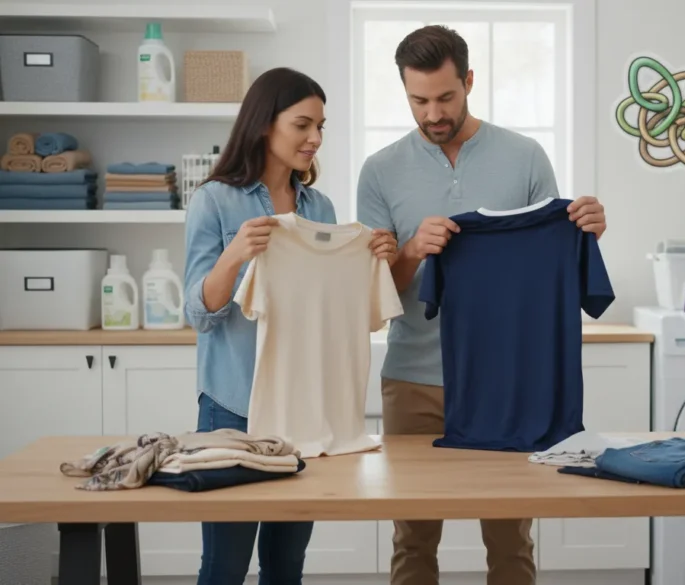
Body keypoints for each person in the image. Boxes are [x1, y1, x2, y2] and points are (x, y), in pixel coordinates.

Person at [356, 25, 607, 585]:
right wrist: (414, 251)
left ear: (469, 81)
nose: (433, 112)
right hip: (413, 381)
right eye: (418, 100)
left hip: (506, 380)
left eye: (445, 96)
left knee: (511, 537)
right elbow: (374, 297)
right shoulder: (379, 171)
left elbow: (548, 263)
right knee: (413, 539)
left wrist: (586, 233)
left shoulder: (525, 157)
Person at [182, 66, 397, 585]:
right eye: (303, 125)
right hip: (232, 408)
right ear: (263, 124)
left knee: (286, 565)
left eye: (321, 126)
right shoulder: (214, 200)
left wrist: (377, 258)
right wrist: (234, 255)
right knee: (225, 564)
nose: (315, 139)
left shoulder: (319, 207)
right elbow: (198, 313)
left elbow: (329, 301)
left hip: (303, 411)